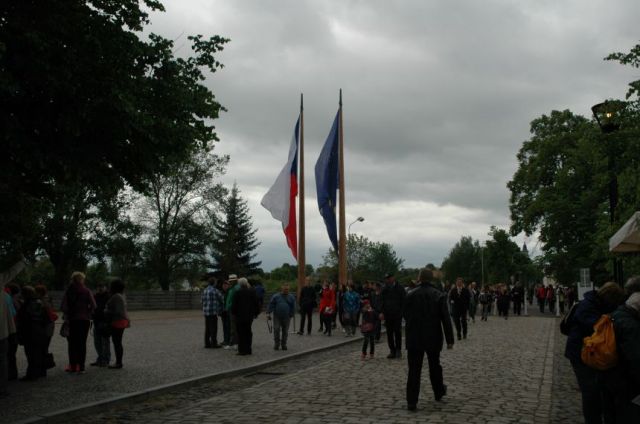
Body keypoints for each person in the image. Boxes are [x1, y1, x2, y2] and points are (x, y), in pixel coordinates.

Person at [564, 281, 625, 424]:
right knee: (590, 392)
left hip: (590, 352)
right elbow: (597, 329)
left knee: (596, 391)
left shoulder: (594, 304)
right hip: (581, 353)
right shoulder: (588, 307)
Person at [404, 268, 454, 412]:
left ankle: (411, 401)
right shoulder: (438, 295)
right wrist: (450, 339)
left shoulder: (410, 295)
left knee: (414, 369)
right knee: (434, 366)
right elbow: (445, 319)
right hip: (433, 335)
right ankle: (438, 391)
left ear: (419, 278)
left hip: (414, 336)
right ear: (431, 279)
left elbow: (405, 315)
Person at [607, 276, 640, 422]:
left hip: (617, 377)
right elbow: (635, 357)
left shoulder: (620, 312)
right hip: (625, 380)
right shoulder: (629, 322)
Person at [61, 271, 96, 373]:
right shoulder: (86, 291)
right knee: (82, 344)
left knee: (72, 344)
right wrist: (87, 312)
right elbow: (94, 305)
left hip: (72, 320)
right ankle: (81, 367)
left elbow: (63, 307)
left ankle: (72, 366)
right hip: (84, 320)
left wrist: (69, 313)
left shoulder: (68, 291)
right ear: (81, 280)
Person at [16, 286, 50, 380]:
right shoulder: (40, 302)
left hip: (29, 331)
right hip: (40, 330)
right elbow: (46, 318)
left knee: (31, 354)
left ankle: (32, 374)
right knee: (40, 352)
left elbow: (22, 319)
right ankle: (41, 371)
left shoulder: (26, 305)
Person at [105, 278, 129, 369]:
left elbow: (118, 311)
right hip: (121, 321)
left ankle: (118, 363)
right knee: (117, 342)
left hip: (117, 321)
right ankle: (118, 362)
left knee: (117, 342)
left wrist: (106, 311)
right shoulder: (122, 295)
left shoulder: (116, 296)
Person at [231, 278, 259, 355]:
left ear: (240, 284)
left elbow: (234, 306)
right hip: (249, 316)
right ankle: (248, 349)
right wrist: (256, 313)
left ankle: (242, 350)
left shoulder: (237, 293)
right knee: (248, 332)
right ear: (246, 283)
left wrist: (234, 313)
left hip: (240, 316)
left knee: (240, 333)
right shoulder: (252, 292)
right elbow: (257, 303)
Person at [380, 273, 406, 358]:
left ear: (393, 278)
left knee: (397, 332)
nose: (387, 280)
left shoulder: (400, 288)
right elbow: (382, 301)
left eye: (389, 278)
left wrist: (401, 312)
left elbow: (404, 301)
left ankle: (398, 350)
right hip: (388, 314)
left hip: (397, 314)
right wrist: (382, 312)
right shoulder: (384, 288)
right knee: (389, 333)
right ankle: (392, 350)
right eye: (386, 278)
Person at [34, 284, 57, 370]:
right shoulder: (47, 300)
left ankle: (42, 366)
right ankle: (43, 366)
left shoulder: (41, 302)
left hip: (45, 326)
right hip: (49, 326)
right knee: (45, 347)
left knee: (42, 347)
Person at [267, 283, 295, 350]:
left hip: (287, 316)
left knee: (285, 331)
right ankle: (276, 344)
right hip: (277, 316)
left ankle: (284, 344)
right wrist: (268, 313)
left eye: (287, 289)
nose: (286, 290)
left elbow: (293, 307)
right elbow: (271, 305)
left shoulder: (291, 297)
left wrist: (291, 314)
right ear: (282, 289)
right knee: (276, 329)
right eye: (285, 289)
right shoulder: (276, 296)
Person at [90, 283, 111, 366]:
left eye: (102, 287)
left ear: (105, 287)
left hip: (105, 322)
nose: (100, 288)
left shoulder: (109, 297)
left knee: (105, 342)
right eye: (99, 287)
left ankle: (106, 359)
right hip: (96, 321)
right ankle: (100, 358)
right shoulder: (95, 296)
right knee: (97, 342)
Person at [202, 276, 224, 349]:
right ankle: (214, 344)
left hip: (206, 312)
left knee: (207, 328)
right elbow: (222, 299)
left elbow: (202, 301)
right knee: (213, 328)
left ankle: (207, 343)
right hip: (213, 312)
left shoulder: (205, 290)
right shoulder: (215, 290)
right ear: (214, 283)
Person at [224, 274, 239, 350]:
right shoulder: (232, 288)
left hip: (233, 310)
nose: (230, 282)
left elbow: (232, 301)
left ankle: (234, 343)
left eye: (232, 281)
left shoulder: (235, 289)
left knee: (234, 327)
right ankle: (234, 342)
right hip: (231, 309)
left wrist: (227, 307)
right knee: (233, 327)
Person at [220, 279, 231, 346]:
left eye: (226, 285)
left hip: (228, 312)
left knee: (228, 327)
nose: (224, 286)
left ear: (228, 286)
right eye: (223, 285)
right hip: (223, 312)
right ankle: (225, 340)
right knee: (224, 327)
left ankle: (229, 340)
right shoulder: (221, 292)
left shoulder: (229, 292)